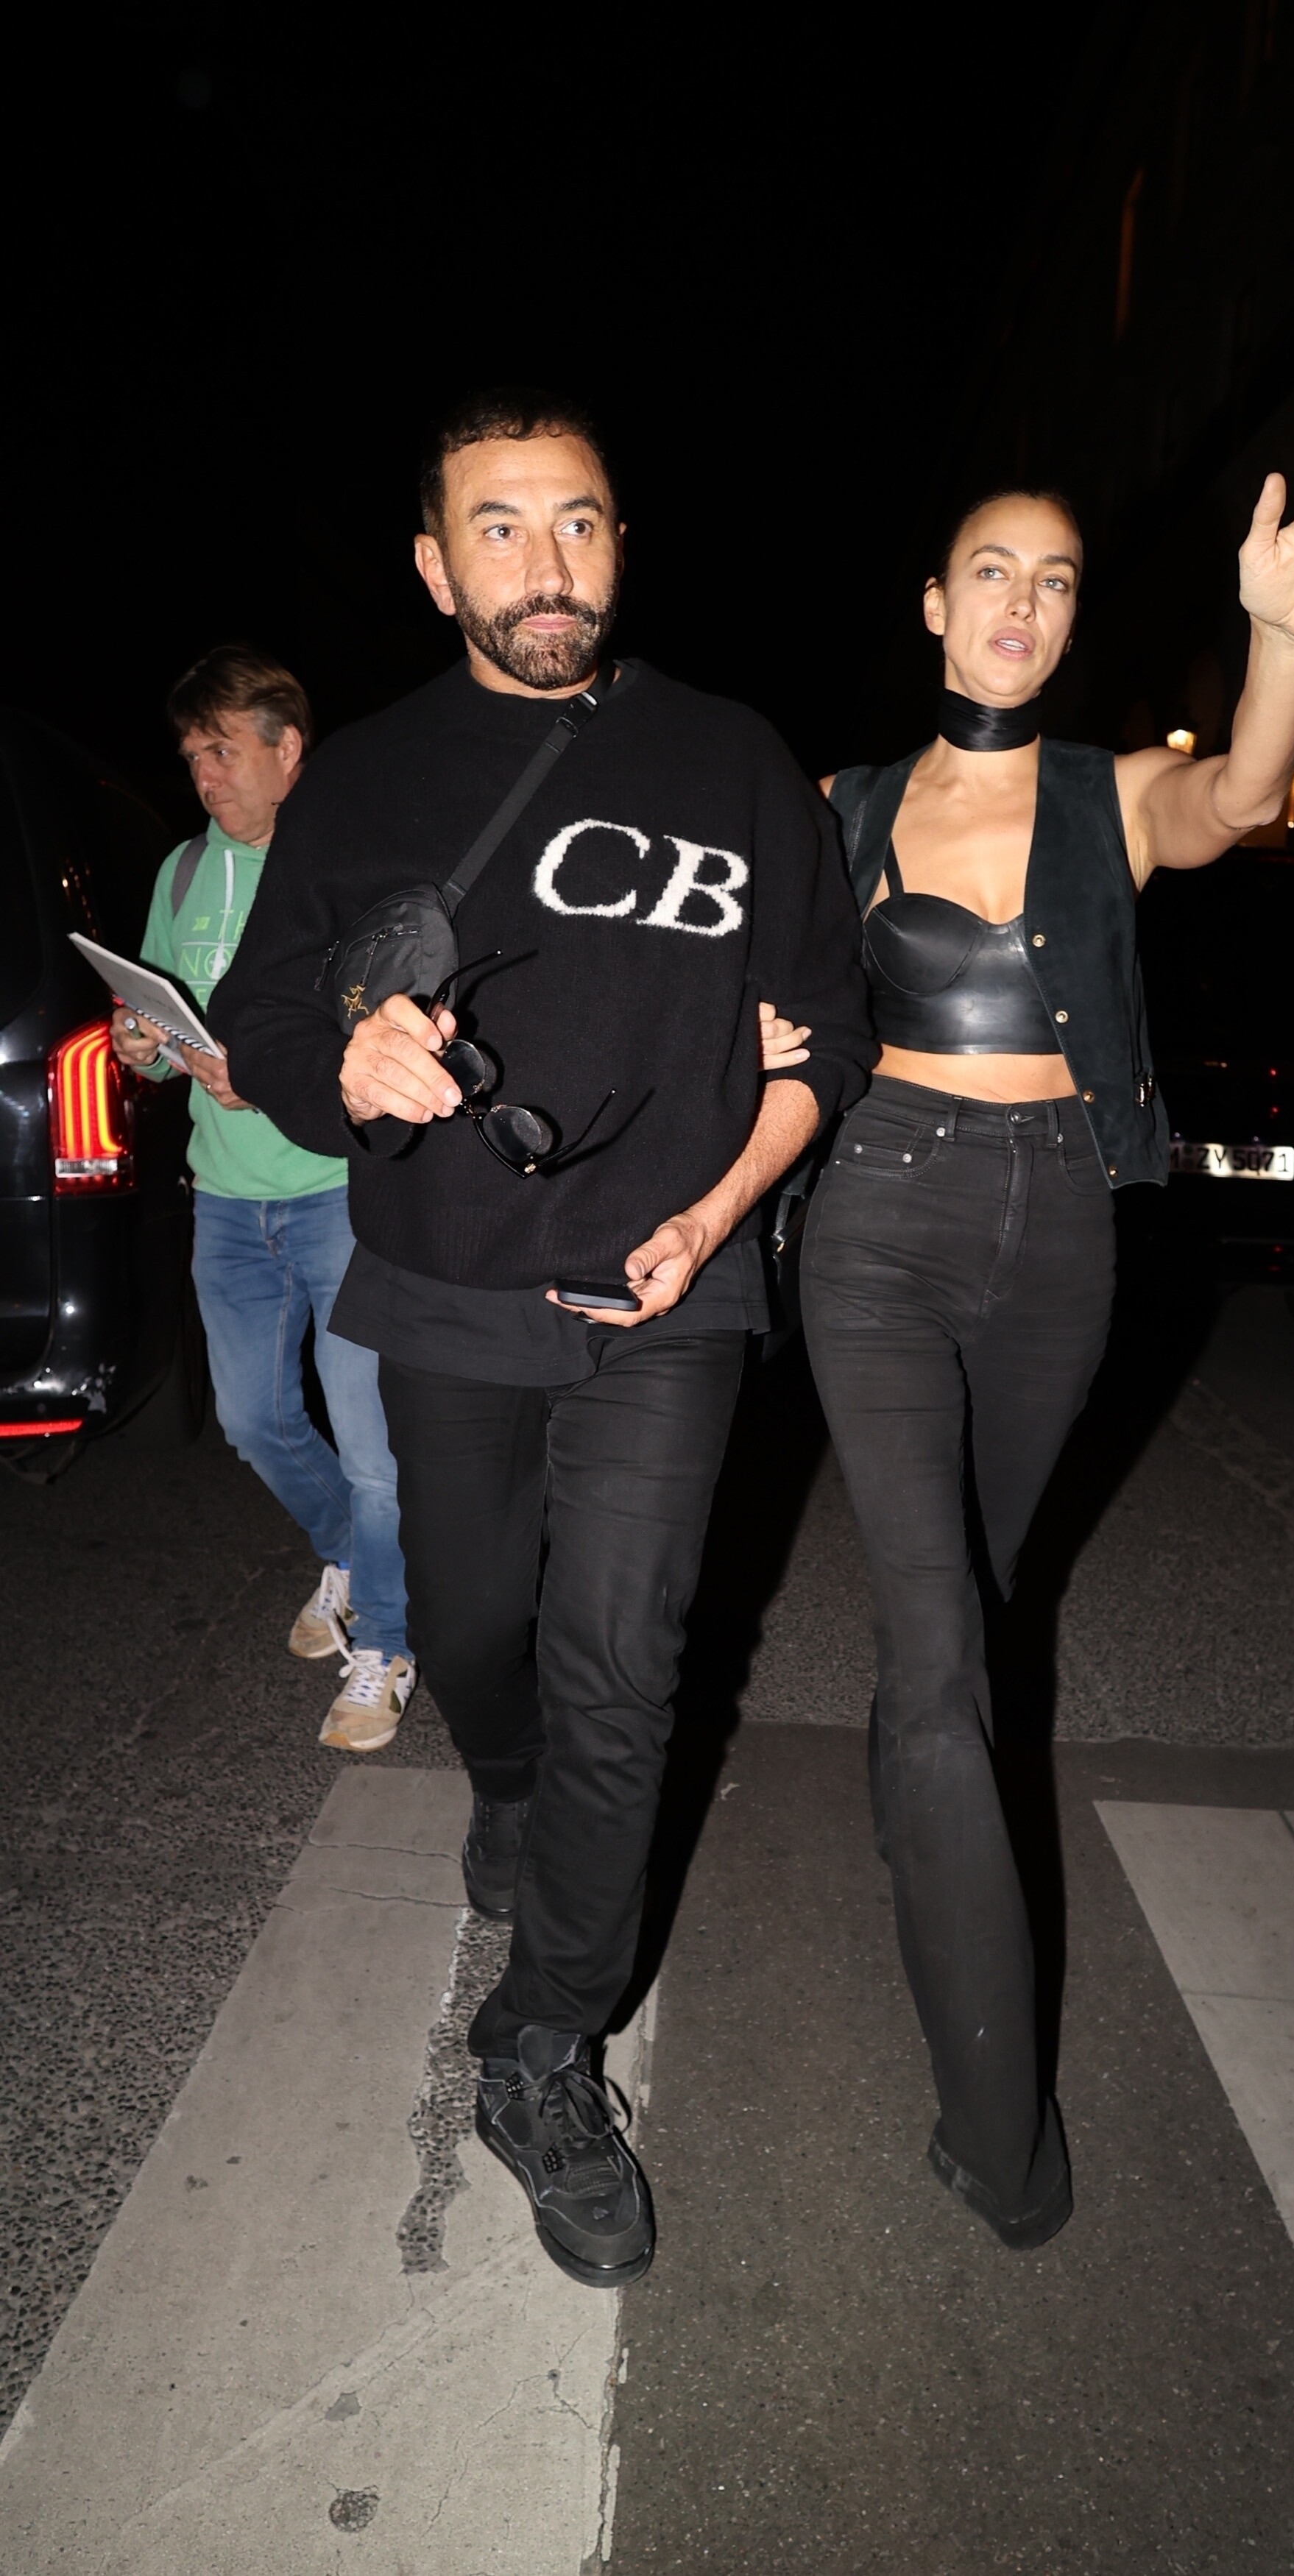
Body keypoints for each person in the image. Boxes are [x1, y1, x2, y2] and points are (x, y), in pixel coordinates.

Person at [209, 389, 871, 2289]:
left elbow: (822, 1031)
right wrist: (343, 1061)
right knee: (478, 1627)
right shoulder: (366, 777)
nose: (544, 561)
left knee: (622, 1664)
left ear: (619, 544)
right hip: (445, 1281)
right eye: (496, 529)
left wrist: (714, 1214)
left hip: (670, 1287)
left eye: (574, 521)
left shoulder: (735, 758)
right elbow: (262, 1017)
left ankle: (542, 2045)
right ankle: (499, 1781)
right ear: (435, 568)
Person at [800, 424, 1294, 2250]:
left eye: (1054, 581)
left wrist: (1282, 632)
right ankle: (1000, 2133)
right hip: (879, 1222)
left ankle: (914, 1804)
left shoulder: (1110, 794)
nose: (1022, 601)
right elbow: (742, 992)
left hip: (1062, 1230)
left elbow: (1242, 794)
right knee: (938, 1655)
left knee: (977, 1596)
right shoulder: (840, 806)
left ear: (1070, 625)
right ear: (934, 606)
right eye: (990, 571)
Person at [110, 647, 415, 1750]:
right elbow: (153, 1029)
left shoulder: (351, 867)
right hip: (227, 1199)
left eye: (223, 751)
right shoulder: (182, 874)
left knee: (374, 1447)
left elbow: (396, 1024)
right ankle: (353, 1558)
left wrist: (281, 1071)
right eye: (192, 755)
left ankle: (389, 1641)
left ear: (291, 754)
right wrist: (140, 1044)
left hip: (338, 1191)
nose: (204, 776)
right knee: (253, 1422)